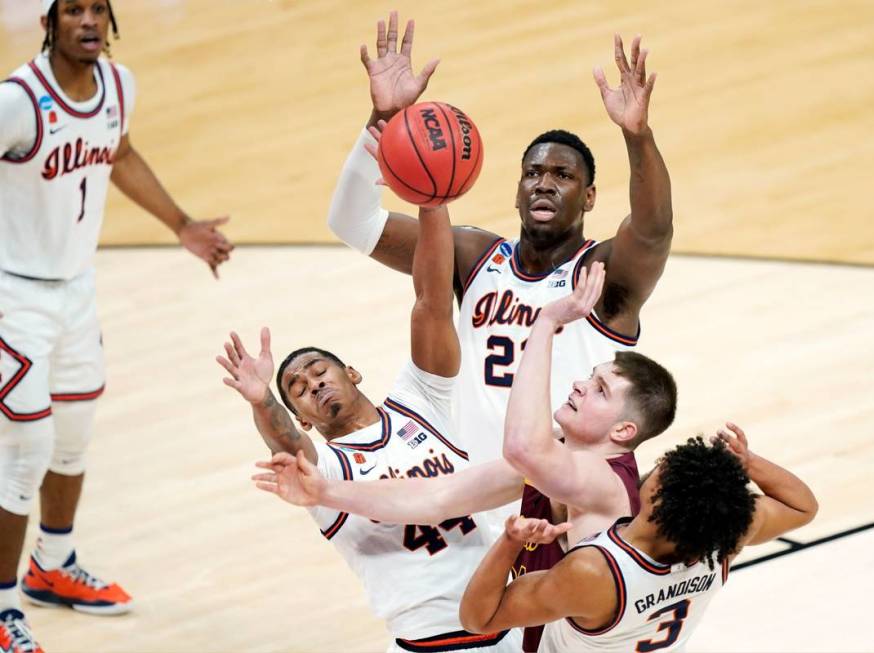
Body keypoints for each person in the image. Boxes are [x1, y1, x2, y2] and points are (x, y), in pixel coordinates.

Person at [327, 14, 674, 528]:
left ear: (590, 197)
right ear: (516, 190)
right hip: (469, 498)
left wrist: (637, 138)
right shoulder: (475, 256)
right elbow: (351, 222)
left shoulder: (601, 275)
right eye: (532, 173)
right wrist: (384, 116)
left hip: (560, 504)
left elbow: (652, 231)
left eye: (563, 175)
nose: (544, 184)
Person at [252, 262, 678, 652]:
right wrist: (324, 489)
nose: (580, 385)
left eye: (598, 388)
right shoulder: (564, 468)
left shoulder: (588, 478)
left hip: (533, 634)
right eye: (589, 377)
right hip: (483, 634)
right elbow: (436, 498)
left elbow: (522, 448)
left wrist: (546, 322)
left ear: (624, 430)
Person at [0, 1, 232, 649]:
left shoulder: (118, 86)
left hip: (76, 291)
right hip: (12, 296)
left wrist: (181, 225)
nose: (88, 20)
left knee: (73, 435)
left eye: (97, 8)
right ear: (49, 22)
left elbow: (120, 154)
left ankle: (54, 564)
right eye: (73, 9)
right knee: (25, 451)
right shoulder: (17, 102)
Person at [218, 204, 518, 653]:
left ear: (352, 373)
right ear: (301, 417)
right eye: (297, 389)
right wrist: (263, 400)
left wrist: (432, 202)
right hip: (433, 641)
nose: (313, 384)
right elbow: (286, 443)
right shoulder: (326, 472)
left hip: (511, 621)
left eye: (319, 371)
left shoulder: (418, 400)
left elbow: (432, 305)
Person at [458, 425, 819, 653]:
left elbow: (479, 618)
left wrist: (510, 542)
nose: (660, 463)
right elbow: (802, 507)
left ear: (654, 498)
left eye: (665, 466)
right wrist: (748, 462)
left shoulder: (594, 572)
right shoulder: (723, 537)